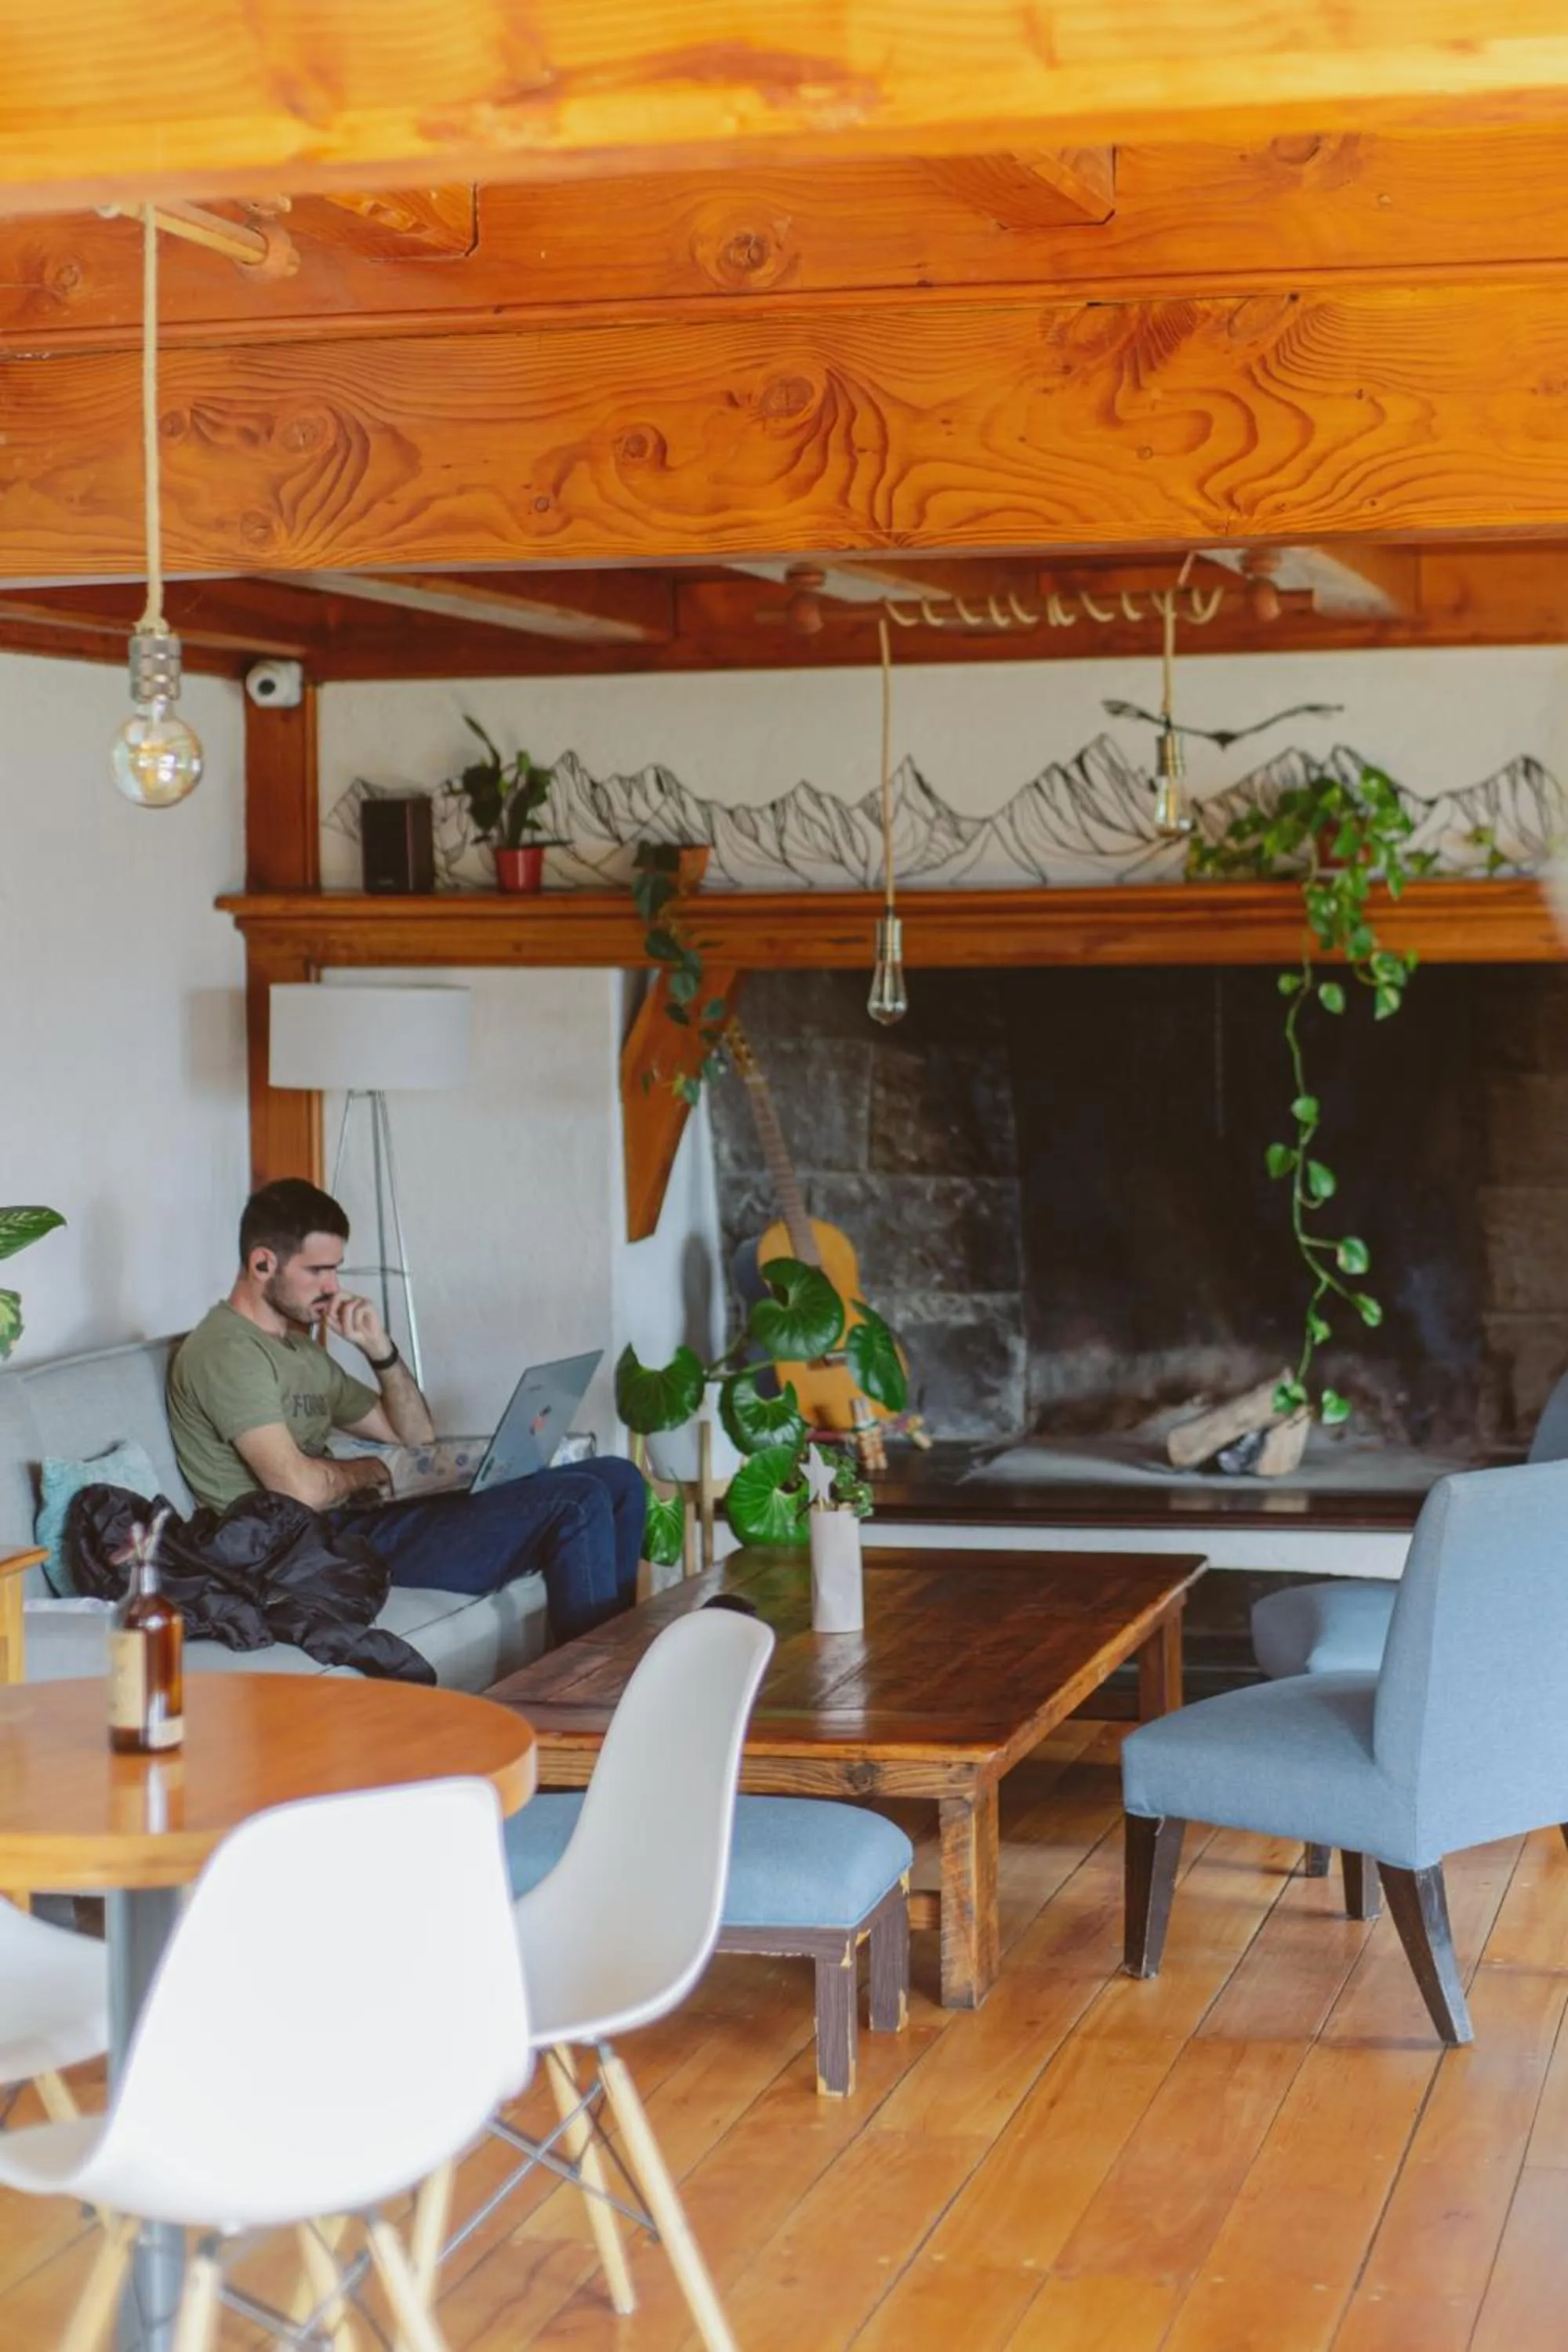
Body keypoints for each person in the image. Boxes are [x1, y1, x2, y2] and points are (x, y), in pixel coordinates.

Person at [167, 1178, 645, 1646]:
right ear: (262, 1263)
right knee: (577, 1501)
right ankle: (595, 1689)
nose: (333, 1287)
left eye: (336, 1270)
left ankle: (623, 1673)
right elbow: (299, 1490)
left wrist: (380, 1349)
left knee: (619, 1479)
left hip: (355, 1526)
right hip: (305, 1551)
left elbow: (415, 1438)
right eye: (318, 1271)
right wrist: (379, 1471)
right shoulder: (226, 1351)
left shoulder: (300, 1351)